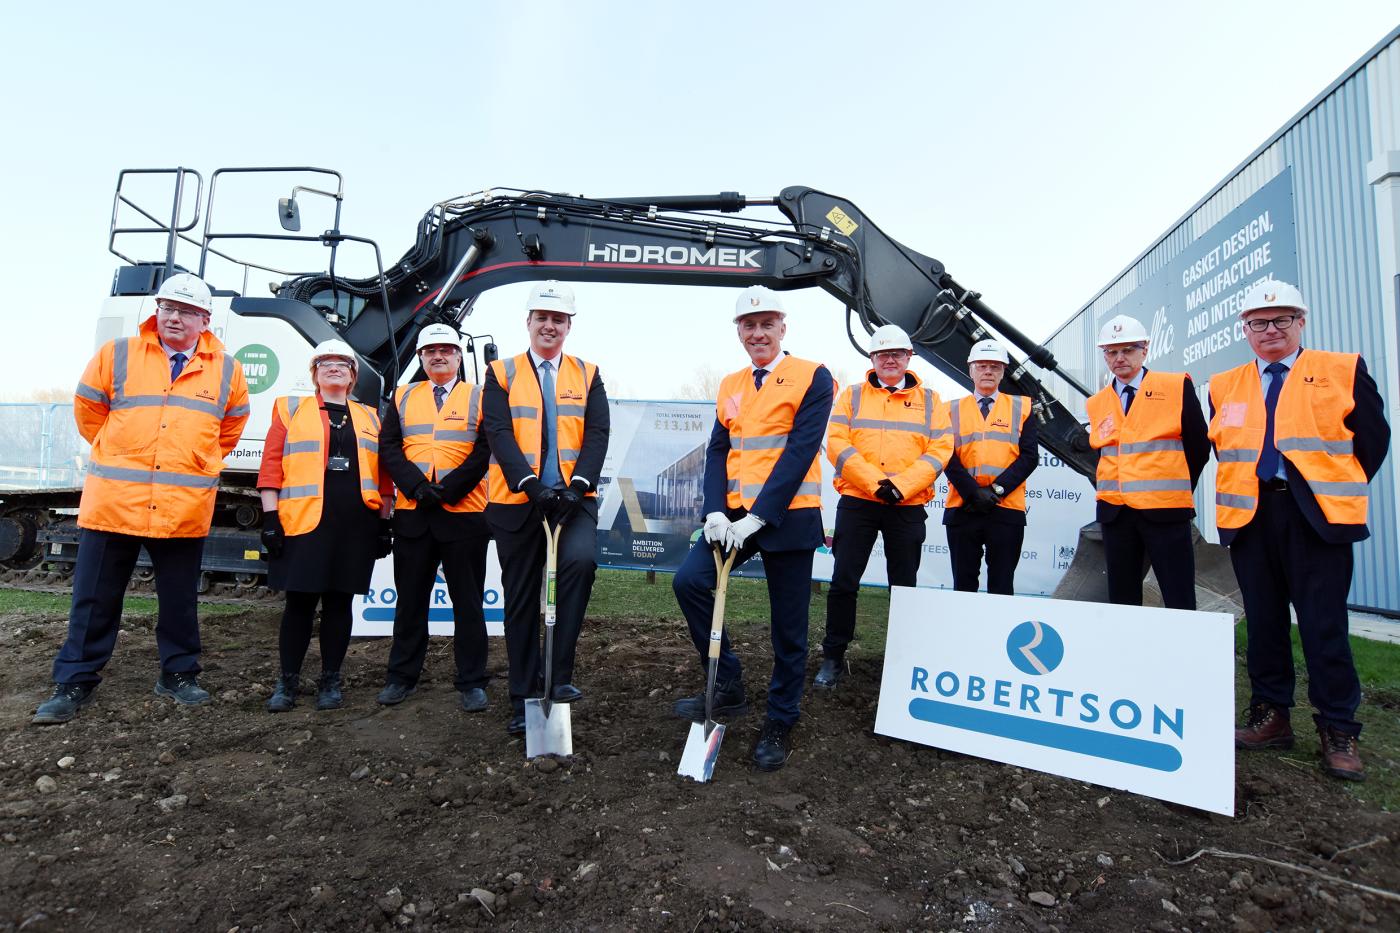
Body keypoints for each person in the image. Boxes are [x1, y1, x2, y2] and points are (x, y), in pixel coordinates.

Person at [33, 273, 250, 724]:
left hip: (181, 507)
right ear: (157, 310)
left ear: (205, 319)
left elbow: (229, 429)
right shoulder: (118, 354)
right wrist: (122, 452)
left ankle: (179, 674)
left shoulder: (226, 369)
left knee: (179, 600)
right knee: (94, 599)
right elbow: (89, 413)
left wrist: (195, 461)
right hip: (116, 501)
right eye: (168, 307)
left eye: (187, 311)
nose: (175, 317)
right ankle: (74, 680)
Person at [1213, 279, 1389, 781]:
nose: (1270, 330)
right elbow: (1228, 448)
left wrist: (1329, 488)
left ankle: (1339, 730)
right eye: (1258, 323)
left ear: (1301, 322)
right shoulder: (1224, 384)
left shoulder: (1340, 369)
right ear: (1244, 329)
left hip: (1316, 518)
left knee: (1323, 625)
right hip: (1252, 515)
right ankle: (1270, 717)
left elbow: (1372, 440)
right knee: (1264, 623)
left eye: (1281, 320)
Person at [671, 285, 834, 771]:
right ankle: (728, 684)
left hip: (788, 516)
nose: (758, 333)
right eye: (749, 325)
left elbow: (800, 451)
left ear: (784, 327)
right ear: (739, 332)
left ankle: (782, 717)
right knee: (691, 582)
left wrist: (759, 517)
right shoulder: (731, 383)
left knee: (789, 626)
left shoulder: (812, 376)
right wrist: (716, 511)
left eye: (767, 324)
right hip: (732, 516)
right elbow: (719, 450)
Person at [483, 282, 610, 736]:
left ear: (569, 326)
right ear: (529, 323)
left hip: (573, 502)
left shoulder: (588, 372)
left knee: (579, 564)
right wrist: (529, 483)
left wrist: (578, 485)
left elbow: (597, 434)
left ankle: (558, 676)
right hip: (518, 502)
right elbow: (497, 432)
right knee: (519, 599)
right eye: (543, 318)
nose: (550, 326)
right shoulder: (502, 372)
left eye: (559, 319)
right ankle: (523, 693)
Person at [814, 324, 952, 689]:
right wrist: (878, 485)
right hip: (859, 502)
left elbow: (941, 449)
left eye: (897, 354)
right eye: (882, 354)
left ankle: (904, 658)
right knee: (844, 582)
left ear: (909, 358)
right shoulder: (852, 396)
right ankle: (832, 656)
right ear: (872, 359)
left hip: (906, 506)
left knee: (903, 586)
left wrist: (902, 486)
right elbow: (837, 444)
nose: (890, 359)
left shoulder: (932, 401)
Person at [258, 340, 392, 712]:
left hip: (354, 526)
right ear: (314, 373)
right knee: (298, 605)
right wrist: (270, 519)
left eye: (342, 364)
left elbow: (383, 478)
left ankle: (330, 680)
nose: (334, 368)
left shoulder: (370, 417)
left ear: (353, 376)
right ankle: (287, 682)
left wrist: (384, 523)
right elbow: (271, 468)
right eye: (325, 363)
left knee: (339, 604)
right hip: (303, 524)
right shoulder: (290, 409)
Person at [376, 323, 494, 712]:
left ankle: (472, 681)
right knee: (410, 603)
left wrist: (450, 489)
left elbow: (484, 449)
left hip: (464, 516)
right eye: (430, 351)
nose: (438, 356)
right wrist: (415, 486)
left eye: (446, 350)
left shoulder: (479, 396)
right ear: (421, 358)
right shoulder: (403, 395)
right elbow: (389, 446)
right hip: (414, 515)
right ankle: (401, 677)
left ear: (459, 357)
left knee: (469, 604)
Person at [1084, 314, 1210, 610]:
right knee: (1123, 599)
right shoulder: (1097, 403)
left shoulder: (1176, 386)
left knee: (1178, 596)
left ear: (1145, 350)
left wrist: (1174, 488)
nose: (1119, 358)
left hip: (1166, 512)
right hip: (1116, 515)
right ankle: (1129, 655)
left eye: (1128, 350)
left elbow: (1198, 446)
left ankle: (1182, 655)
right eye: (1112, 352)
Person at [942, 339, 1040, 596]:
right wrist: (973, 492)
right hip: (963, 507)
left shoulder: (1022, 407)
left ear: (1003, 371)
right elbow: (945, 455)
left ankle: (996, 636)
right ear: (971, 369)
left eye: (995, 367)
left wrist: (996, 490)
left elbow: (1029, 457)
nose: (988, 371)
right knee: (963, 585)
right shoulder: (949, 410)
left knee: (1002, 584)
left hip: (1005, 509)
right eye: (982, 365)